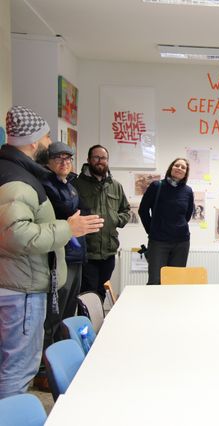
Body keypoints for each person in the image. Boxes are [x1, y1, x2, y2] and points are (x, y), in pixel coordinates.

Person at [0, 106, 102, 398]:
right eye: (46, 137)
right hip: (21, 287)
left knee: (15, 366)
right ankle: (13, 414)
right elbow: (17, 235)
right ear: (33, 142)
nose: (48, 142)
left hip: (19, 282)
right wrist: (68, 228)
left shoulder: (18, 172)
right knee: (18, 370)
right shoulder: (17, 180)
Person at [39, 142, 88, 347]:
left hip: (76, 254)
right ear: (48, 162)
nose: (64, 162)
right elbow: (65, 210)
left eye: (68, 158)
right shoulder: (45, 185)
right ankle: (50, 357)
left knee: (69, 310)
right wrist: (74, 217)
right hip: (60, 256)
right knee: (55, 313)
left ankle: (65, 350)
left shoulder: (69, 184)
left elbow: (82, 211)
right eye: (58, 158)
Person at [73, 145, 130, 299]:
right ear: (88, 160)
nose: (100, 161)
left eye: (103, 158)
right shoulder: (77, 185)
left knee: (101, 291)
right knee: (88, 293)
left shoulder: (115, 186)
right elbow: (69, 212)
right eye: (96, 157)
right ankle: (89, 316)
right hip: (87, 251)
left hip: (109, 251)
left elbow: (126, 210)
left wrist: (116, 219)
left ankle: (98, 315)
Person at [139, 158, 194, 285]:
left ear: (186, 173)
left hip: (181, 242)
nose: (179, 168)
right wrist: (151, 230)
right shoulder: (156, 186)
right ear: (171, 168)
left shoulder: (188, 191)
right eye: (177, 165)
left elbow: (187, 215)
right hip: (158, 242)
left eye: (183, 167)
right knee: (155, 281)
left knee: (176, 282)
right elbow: (143, 210)